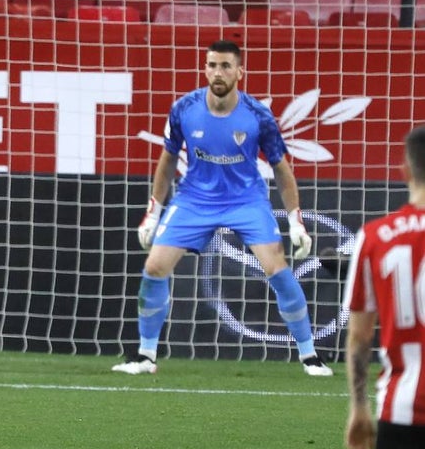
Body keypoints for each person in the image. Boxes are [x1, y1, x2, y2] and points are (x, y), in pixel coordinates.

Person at [112, 40, 332, 376]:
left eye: (226, 66)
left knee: (277, 268)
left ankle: (309, 354)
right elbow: (168, 159)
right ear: (205, 69)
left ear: (240, 72)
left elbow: (281, 168)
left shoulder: (258, 115)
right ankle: (145, 355)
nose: (218, 72)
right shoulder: (184, 108)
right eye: (212, 65)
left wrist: (296, 221)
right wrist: (153, 213)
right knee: (155, 267)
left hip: (246, 201)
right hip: (193, 200)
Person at [344, 125, 425, 449]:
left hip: (401, 411)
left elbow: (359, 337)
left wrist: (359, 408)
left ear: (405, 168)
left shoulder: (375, 237)